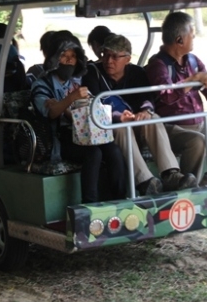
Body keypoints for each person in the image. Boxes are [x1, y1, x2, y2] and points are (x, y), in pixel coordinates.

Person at [82, 34, 197, 194]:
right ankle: (145, 181)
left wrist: (145, 111)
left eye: (115, 57)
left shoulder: (136, 73)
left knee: (153, 119)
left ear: (127, 59)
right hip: (108, 128)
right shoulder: (92, 73)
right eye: (106, 55)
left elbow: (147, 98)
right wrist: (118, 117)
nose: (109, 61)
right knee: (123, 127)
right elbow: (94, 104)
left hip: (135, 122)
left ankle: (171, 174)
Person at [145, 11, 207, 185]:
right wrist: (192, 79)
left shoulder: (193, 61)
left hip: (199, 125)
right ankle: (187, 187)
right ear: (180, 40)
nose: (194, 39)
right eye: (192, 36)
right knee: (197, 141)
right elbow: (166, 97)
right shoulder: (158, 65)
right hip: (172, 128)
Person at [31, 35, 126, 203]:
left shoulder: (75, 83)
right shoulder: (42, 84)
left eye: (73, 56)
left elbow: (88, 109)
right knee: (93, 153)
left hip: (84, 134)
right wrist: (70, 100)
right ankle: (90, 205)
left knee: (113, 149)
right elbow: (51, 113)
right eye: (63, 55)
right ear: (54, 58)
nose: (68, 60)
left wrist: (67, 107)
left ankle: (121, 199)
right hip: (58, 139)